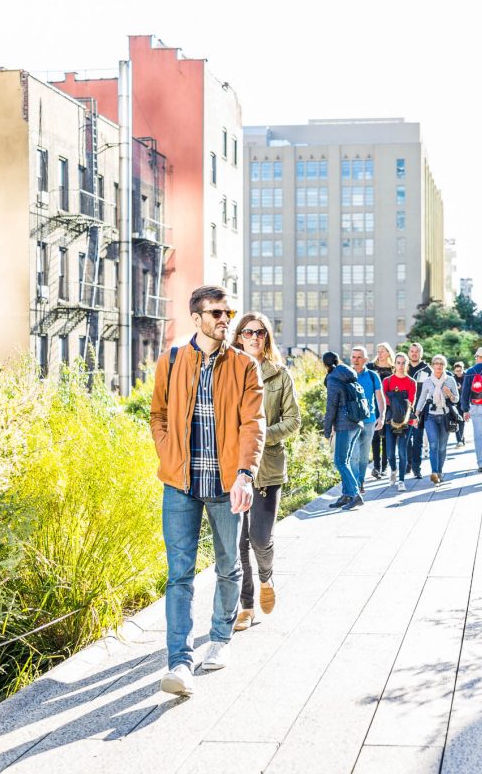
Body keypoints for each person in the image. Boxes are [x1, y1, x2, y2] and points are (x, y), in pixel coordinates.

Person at [150, 285, 265, 696]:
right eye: (215, 312)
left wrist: (244, 474)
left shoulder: (244, 366)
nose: (224, 319)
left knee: (228, 565)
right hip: (180, 484)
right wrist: (168, 456)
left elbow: (254, 423)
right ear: (196, 318)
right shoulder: (173, 359)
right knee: (178, 575)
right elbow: (158, 415)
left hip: (225, 484)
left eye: (227, 312)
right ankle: (178, 663)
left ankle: (220, 638)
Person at [231, 312, 301, 633]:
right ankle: (246, 606)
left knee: (260, 538)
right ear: (239, 337)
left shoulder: (280, 376)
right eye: (248, 333)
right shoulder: (227, 374)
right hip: (234, 470)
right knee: (239, 542)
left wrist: (259, 436)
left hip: (269, 469)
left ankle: (267, 578)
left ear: (267, 338)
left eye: (260, 333)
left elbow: (293, 422)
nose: (255, 338)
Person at [322, 350, 364, 510]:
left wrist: (326, 430)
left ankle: (355, 494)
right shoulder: (348, 374)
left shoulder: (333, 379)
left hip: (344, 425)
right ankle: (347, 494)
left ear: (325, 365)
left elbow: (331, 406)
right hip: (355, 422)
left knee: (340, 461)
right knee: (344, 461)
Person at [415, 354, 459, 485]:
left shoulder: (450, 380)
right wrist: (416, 414)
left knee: (442, 447)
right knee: (433, 445)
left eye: (442, 363)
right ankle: (434, 472)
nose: (439, 366)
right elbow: (422, 399)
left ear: (445, 366)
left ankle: (439, 471)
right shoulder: (428, 381)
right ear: (433, 365)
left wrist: (449, 393)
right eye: (437, 363)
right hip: (431, 417)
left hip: (445, 416)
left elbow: (456, 399)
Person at [349, 346, 386, 495]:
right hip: (351, 420)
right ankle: (355, 485)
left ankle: (360, 481)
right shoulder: (346, 375)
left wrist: (381, 416)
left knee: (364, 455)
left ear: (365, 359)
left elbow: (379, 397)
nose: (356, 360)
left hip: (369, 420)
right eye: (353, 357)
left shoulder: (372, 376)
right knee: (354, 454)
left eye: (359, 357)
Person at [382, 352, 417, 492]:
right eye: (398, 362)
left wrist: (397, 401)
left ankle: (401, 480)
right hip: (390, 420)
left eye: (403, 363)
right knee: (390, 453)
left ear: (407, 364)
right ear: (394, 364)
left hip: (406, 421)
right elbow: (384, 400)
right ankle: (393, 470)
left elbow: (411, 401)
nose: (401, 365)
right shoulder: (387, 381)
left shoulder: (411, 382)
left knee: (402, 452)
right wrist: (397, 401)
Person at [367, 342, 396, 478]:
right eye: (378, 351)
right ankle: (376, 467)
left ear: (388, 353)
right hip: (373, 404)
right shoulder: (370, 368)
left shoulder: (394, 368)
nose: (379, 353)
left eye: (382, 351)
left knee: (386, 436)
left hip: (389, 406)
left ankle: (384, 466)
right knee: (375, 436)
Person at [405, 343, 430, 479]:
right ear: (409, 353)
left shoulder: (427, 370)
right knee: (406, 440)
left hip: (419, 411)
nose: (414, 353)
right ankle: (407, 466)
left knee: (418, 440)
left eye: (417, 351)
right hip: (403, 411)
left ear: (421, 353)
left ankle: (416, 468)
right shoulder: (404, 367)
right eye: (412, 351)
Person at [451, 361, 468, 446]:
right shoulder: (452, 378)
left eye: (460, 371)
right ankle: (460, 440)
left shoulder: (466, 377)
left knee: (462, 421)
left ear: (463, 369)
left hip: (464, 402)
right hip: (455, 402)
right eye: (457, 371)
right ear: (454, 371)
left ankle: (461, 439)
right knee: (456, 421)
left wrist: (460, 389)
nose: (459, 373)